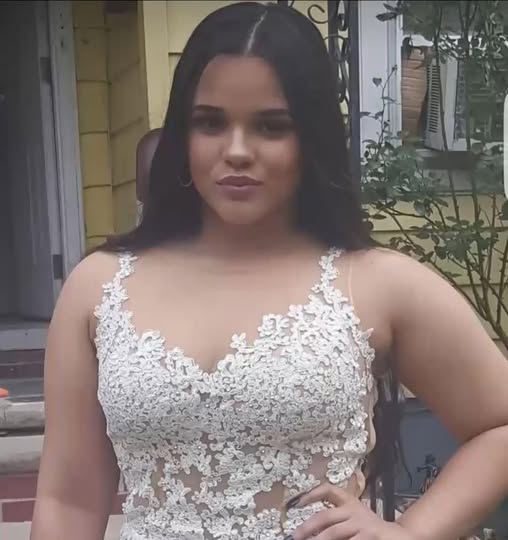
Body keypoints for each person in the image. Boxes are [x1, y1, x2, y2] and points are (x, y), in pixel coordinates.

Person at [30, 2, 508, 540]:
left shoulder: (374, 282)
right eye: (210, 122)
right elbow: (68, 500)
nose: (237, 151)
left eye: (271, 126)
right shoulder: (99, 287)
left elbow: (499, 424)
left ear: (311, 137)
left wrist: (410, 533)